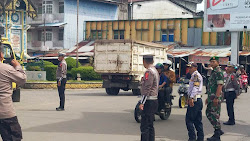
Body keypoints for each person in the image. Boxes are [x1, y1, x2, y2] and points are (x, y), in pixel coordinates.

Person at [0, 44, 26, 140]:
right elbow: (22, 79)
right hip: (5, 112)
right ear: (1, 55)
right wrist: (18, 66)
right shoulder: (6, 68)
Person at [139, 54, 159, 141]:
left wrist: (142, 102)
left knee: (145, 125)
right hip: (154, 100)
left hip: (149, 100)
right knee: (150, 125)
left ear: (144, 61)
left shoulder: (149, 72)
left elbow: (147, 87)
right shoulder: (155, 70)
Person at [206, 56, 224, 141]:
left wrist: (216, 98)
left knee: (213, 114)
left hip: (215, 97)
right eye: (211, 62)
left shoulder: (218, 72)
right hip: (211, 97)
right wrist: (208, 97)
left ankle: (217, 134)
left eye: (213, 62)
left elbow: (220, 85)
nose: (212, 63)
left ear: (217, 62)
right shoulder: (213, 72)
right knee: (209, 113)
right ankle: (218, 131)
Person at [185, 62, 204, 141]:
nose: (189, 69)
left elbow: (195, 87)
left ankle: (192, 138)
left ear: (195, 68)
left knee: (189, 120)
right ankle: (200, 138)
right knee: (197, 121)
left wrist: (191, 98)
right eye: (188, 68)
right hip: (197, 99)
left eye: (191, 67)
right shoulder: (193, 75)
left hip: (195, 100)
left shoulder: (195, 75)